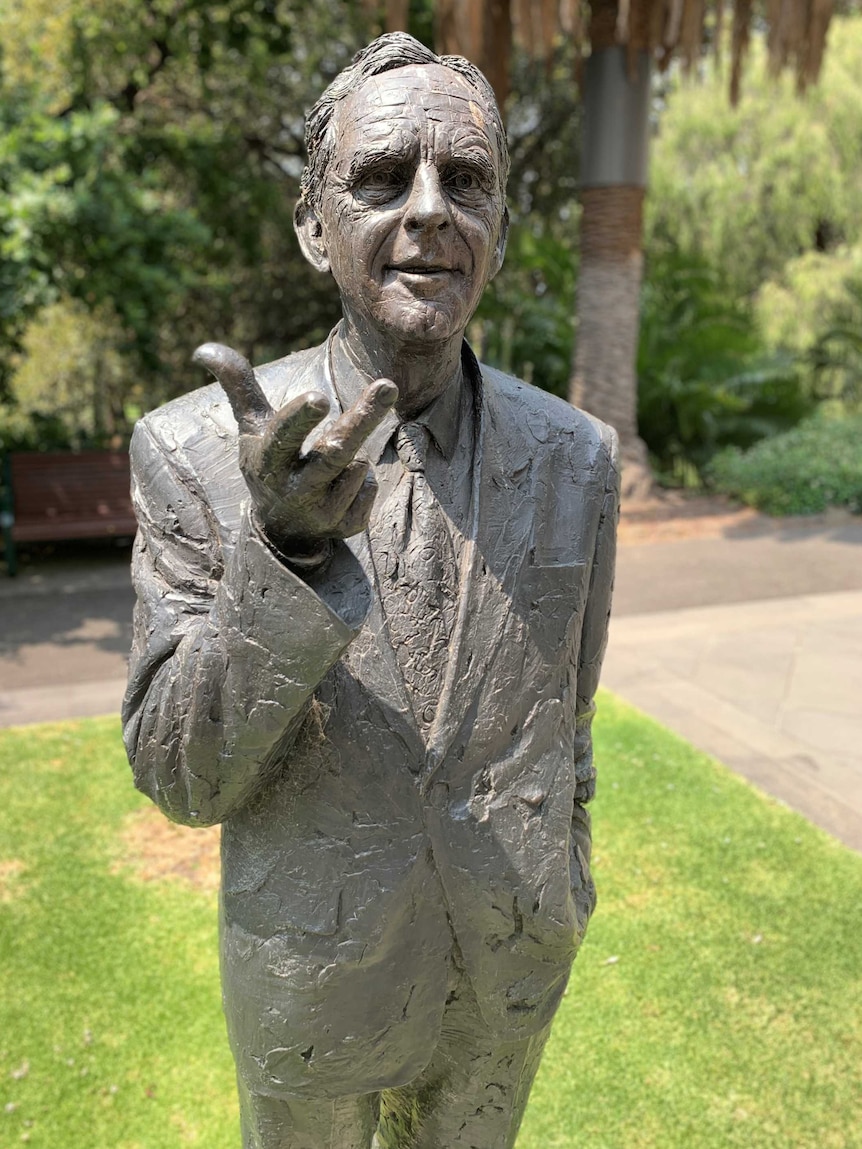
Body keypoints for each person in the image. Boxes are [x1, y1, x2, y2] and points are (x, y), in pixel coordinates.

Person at [123, 32, 619, 1149]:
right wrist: (285, 559)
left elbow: (567, 718)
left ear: (499, 222)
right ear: (313, 225)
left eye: (468, 181)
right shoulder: (193, 450)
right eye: (384, 179)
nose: (431, 211)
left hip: (508, 963)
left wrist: (564, 882)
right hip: (311, 976)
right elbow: (179, 774)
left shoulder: (575, 455)